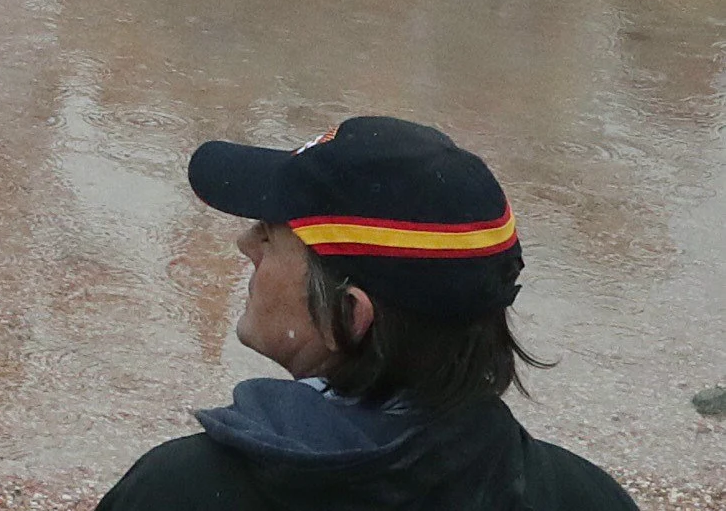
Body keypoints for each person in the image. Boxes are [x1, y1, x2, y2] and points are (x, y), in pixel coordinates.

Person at [100, 118, 636, 511]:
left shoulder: (181, 491)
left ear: (349, 316)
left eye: (274, 233)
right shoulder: (583, 497)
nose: (247, 244)